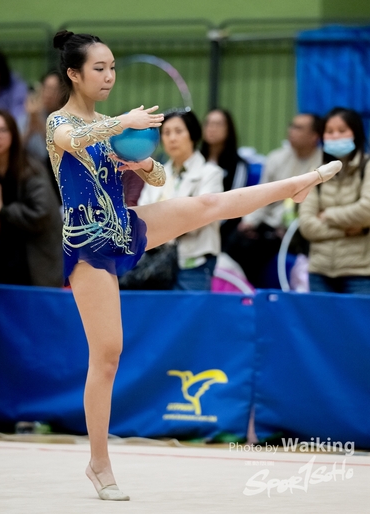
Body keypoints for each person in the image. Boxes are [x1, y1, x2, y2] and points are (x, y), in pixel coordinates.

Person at [46, 30, 342, 501]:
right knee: (107, 355)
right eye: (99, 68)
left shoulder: (107, 124)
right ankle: (98, 463)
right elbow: (74, 137)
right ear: (74, 74)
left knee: (206, 205)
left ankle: (296, 185)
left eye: (113, 67)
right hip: (87, 244)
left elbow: (160, 176)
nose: (109, 76)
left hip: (124, 223)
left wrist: (141, 165)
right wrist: (122, 124)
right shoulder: (60, 122)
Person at [225, 113, 323, 286]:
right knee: (237, 238)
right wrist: (250, 222)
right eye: (292, 125)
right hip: (270, 225)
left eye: (299, 128)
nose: (291, 131)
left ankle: (251, 293)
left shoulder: (324, 164)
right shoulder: (276, 158)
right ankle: (232, 288)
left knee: (256, 249)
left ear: (314, 136)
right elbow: (261, 196)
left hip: (300, 228)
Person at [0, 109, 63, 287]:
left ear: (13, 134)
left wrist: (1, 208)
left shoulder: (31, 169)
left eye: (3, 130)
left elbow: (41, 214)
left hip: (32, 259)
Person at [137, 109, 223, 290]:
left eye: (178, 131)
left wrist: (160, 223)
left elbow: (199, 217)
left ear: (192, 134)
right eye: (166, 133)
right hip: (155, 260)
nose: (172, 138)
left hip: (193, 262)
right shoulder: (156, 173)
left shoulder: (211, 173)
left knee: (191, 309)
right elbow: (142, 215)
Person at [299, 107, 370, 294]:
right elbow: (306, 225)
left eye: (342, 130)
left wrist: (327, 215)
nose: (335, 136)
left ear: (356, 133)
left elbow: (366, 211)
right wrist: (349, 230)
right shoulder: (315, 172)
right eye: (329, 131)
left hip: (360, 272)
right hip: (319, 271)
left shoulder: (367, 167)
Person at [201, 108, 249, 252]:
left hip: (222, 232)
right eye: (208, 123)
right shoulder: (195, 159)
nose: (212, 128)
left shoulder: (238, 165)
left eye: (218, 124)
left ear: (228, 129)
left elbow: (234, 204)